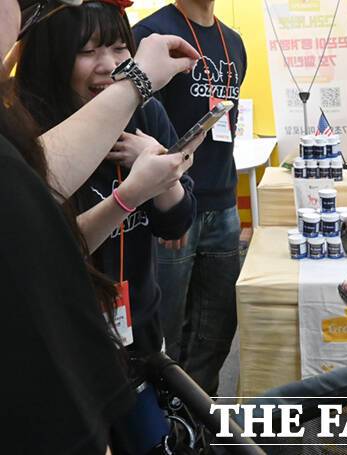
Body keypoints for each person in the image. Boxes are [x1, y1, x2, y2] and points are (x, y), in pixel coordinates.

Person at [1, 0, 200, 452]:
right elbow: (50, 245)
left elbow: (177, 222)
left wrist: (166, 179)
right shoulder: (28, 129)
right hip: (70, 338)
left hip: (142, 326)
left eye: (117, 48)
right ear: (53, 55)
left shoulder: (145, 115)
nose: (108, 65)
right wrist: (128, 197)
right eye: (87, 51)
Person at [134, 0, 248, 396]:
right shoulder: (151, 35)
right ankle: (164, 413)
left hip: (224, 203)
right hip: (172, 204)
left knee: (217, 327)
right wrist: (167, 202)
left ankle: (199, 415)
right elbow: (139, 125)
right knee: (165, 330)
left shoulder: (233, 42)